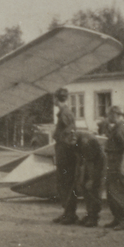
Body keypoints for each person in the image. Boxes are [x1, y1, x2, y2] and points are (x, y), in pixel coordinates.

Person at [103, 106, 124, 230]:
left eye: (109, 115)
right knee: (111, 193)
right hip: (111, 164)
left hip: (116, 165)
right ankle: (117, 219)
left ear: (115, 115)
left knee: (118, 193)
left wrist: (122, 167)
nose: (108, 117)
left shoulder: (121, 129)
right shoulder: (115, 128)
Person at [51, 88, 79, 224]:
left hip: (66, 154)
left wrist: (66, 151)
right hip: (63, 152)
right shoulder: (63, 113)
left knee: (67, 183)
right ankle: (67, 213)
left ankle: (70, 214)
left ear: (57, 99)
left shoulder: (65, 114)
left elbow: (71, 134)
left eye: (55, 98)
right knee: (63, 183)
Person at [68, 129, 105, 227]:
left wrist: (91, 179)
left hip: (97, 167)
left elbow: (91, 163)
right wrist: (80, 176)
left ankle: (93, 218)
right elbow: (80, 159)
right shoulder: (76, 140)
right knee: (85, 189)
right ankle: (89, 215)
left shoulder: (87, 142)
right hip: (89, 165)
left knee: (93, 190)